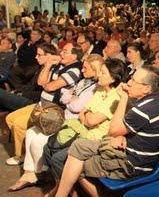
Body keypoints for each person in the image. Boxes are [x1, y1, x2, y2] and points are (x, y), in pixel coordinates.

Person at [54, 66, 159, 197]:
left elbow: (113, 130)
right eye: (131, 78)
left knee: (77, 163)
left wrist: (123, 98)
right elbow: (133, 131)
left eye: (134, 81)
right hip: (132, 153)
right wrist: (123, 137)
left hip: (131, 164)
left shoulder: (144, 109)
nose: (129, 83)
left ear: (147, 88)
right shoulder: (157, 102)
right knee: (78, 147)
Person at [8, 54, 104, 192]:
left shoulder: (94, 87)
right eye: (82, 67)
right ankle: (30, 172)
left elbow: (77, 107)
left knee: (38, 141)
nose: (82, 70)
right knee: (31, 132)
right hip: (64, 115)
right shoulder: (83, 81)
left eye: (85, 68)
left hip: (74, 123)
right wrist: (72, 98)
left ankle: (41, 172)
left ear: (95, 70)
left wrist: (71, 99)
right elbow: (64, 97)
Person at [45, 58, 128, 196]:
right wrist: (88, 117)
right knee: (48, 148)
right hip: (84, 132)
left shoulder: (116, 97)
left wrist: (88, 117)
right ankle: (65, 188)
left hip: (97, 139)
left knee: (58, 158)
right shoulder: (100, 89)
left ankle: (67, 191)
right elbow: (84, 113)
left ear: (113, 78)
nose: (99, 75)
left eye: (103, 73)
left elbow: (91, 119)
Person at [5, 43, 82, 166]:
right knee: (10, 118)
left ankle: (22, 155)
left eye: (65, 52)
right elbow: (41, 83)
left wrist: (48, 85)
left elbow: (51, 86)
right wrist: (48, 65)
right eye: (61, 51)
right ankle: (26, 152)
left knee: (19, 125)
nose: (60, 53)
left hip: (53, 109)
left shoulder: (75, 70)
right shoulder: (58, 66)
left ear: (74, 56)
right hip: (42, 103)